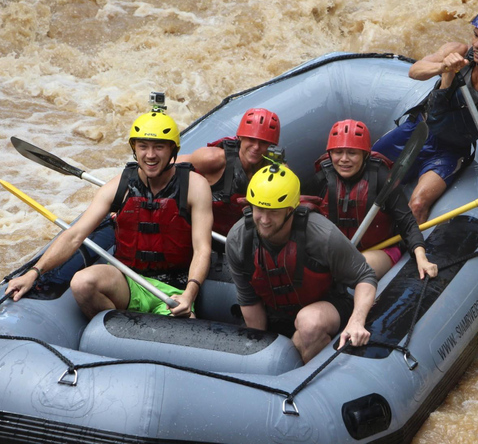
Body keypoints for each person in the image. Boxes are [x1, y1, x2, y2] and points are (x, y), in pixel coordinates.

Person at [6, 105, 213, 319]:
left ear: (172, 150)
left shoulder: (195, 186)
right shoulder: (118, 187)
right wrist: (34, 272)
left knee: (181, 334)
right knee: (81, 282)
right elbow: (74, 235)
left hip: (174, 289)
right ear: (134, 148)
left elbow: (202, 249)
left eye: (159, 147)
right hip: (127, 280)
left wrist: (189, 294)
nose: (150, 155)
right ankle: (120, 329)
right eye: (143, 146)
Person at [373, 6, 478, 224]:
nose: (477, 44)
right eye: (476, 36)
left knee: (417, 204)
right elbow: (415, 70)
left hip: (450, 152)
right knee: (367, 184)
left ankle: (409, 252)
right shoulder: (458, 51)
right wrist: (442, 67)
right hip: (417, 132)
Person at [226, 163, 377, 363]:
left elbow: (365, 276)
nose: (263, 219)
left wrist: (356, 321)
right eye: (259, 209)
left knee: (309, 323)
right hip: (276, 315)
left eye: (273, 211)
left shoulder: (321, 234)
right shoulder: (238, 240)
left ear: (290, 209)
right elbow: (249, 301)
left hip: (326, 307)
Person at [305, 119, 438, 280]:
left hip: (380, 250)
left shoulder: (381, 178)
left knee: (356, 267)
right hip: (337, 254)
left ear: (365, 154)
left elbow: (407, 222)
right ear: (330, 153)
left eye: (352, 153)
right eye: (338, 152)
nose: (344, 159)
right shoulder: (322, 180)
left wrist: (421, 258)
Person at [177, 108, 280, 236]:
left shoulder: (276, 171)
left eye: (263, 143)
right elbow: (169, 166)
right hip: (202, 232)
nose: (256, 147)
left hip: (236, 238)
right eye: (251, 140)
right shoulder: (212, 159)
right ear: (240, 137)